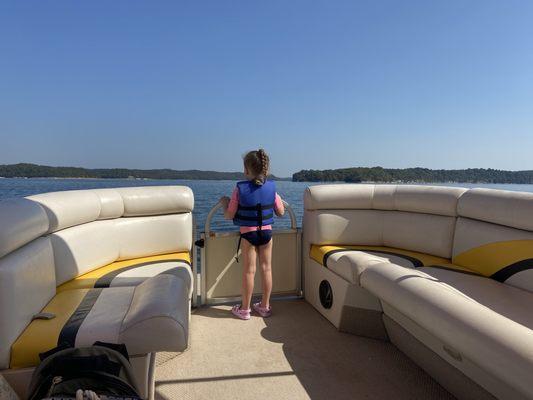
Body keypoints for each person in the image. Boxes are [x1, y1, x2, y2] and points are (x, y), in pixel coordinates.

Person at [220, 149, 285, 320]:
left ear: (246, 170)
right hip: (266, 233)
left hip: (248, 234)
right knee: (266, 268)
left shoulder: (239, 189)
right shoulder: (272, 188)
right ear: (266, 169)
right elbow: (281, 212)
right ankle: (264, 306)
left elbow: (229, 215)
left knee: (249, 271)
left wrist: (224, 203)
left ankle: (245, 309)